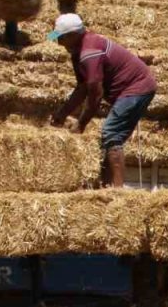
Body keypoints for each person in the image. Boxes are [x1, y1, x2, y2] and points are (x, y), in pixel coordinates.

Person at [48, 14, 157, 188]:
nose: (58, 42)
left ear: (73, 35)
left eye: (60, 37)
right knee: (108, 138)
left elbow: (95, 95)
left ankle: (116, 191)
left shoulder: (89, 53)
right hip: (130, 89)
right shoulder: (78, 50)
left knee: (111, 132)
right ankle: (106, 186)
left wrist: (81, 124)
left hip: (137, 88)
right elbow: (82, 88)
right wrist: (62, 114)